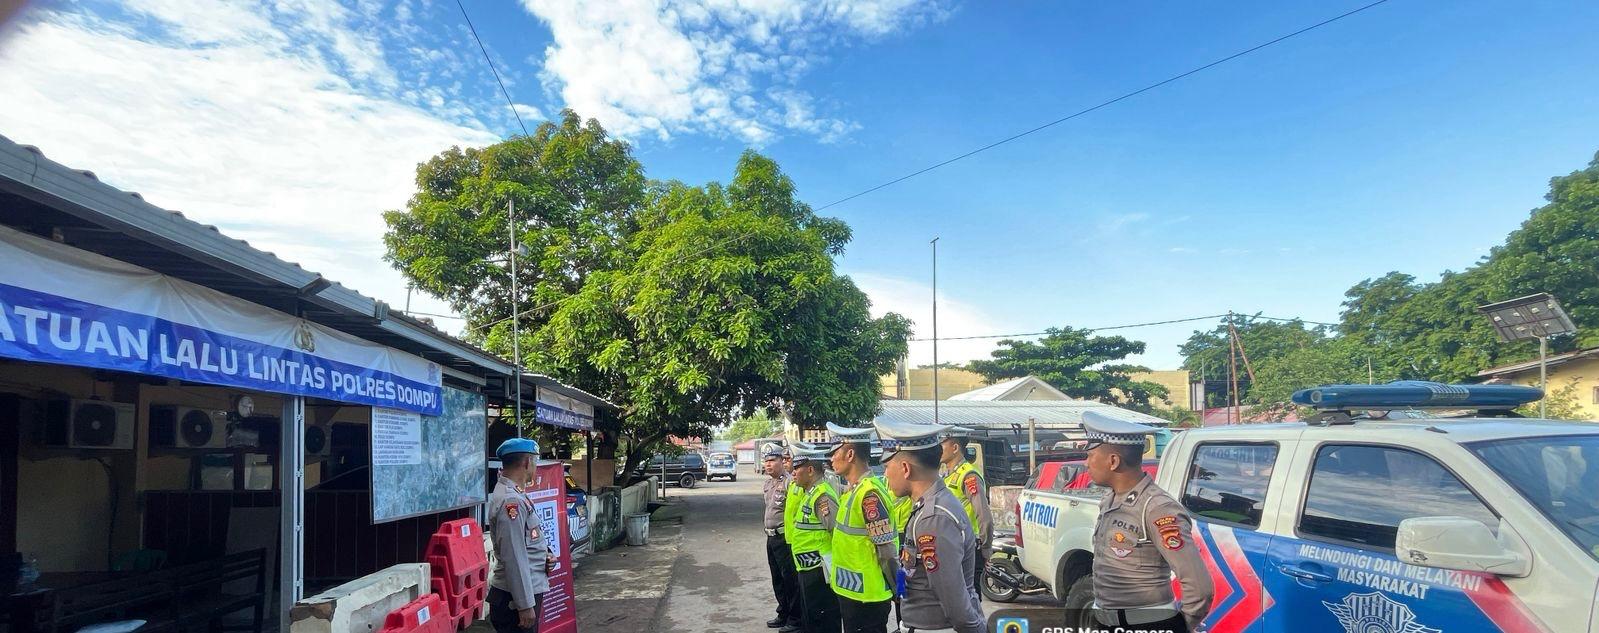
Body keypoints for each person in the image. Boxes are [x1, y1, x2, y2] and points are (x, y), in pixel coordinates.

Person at [1082, 411, 1214, 633]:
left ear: (1113, 461)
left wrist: (1179, 626)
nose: (1086, 463)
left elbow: (1200, 587)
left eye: (1090, 455)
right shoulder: (1110, 500)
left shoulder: (1157, 508)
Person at [877, 421, 984, 633]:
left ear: (905, 469)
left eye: (887, 467)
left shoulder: (934, 518)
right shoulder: (925, 506)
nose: (886, 475)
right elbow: (910, 568)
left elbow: (954, 599)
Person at [825, 423, 899, 633]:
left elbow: (887, 551)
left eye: (834, 453)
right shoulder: (852, 491)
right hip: (851, 591)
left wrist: (898, 589)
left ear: (850, 454)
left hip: (868, 597)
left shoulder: (869, 495)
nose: (831, 459)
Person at [487, 438, 554, 633]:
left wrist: (546, 555)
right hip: (515, 601)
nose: (536, 467)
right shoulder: (511, 501)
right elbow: (513, 555)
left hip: (519, 594)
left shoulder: (515, 494)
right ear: (527, 462)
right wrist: (524, 605)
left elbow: (525, 542)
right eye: (535, 461)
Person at [789, 443, 842, 633]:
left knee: (822, 621)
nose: (793, 472)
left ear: (810, 470)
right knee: (811, 620)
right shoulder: (809, 493)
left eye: (797, 468)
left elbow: (835, 532)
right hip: (808, 568)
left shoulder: (822, 496)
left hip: (820, 571)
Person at [937, 427, 990, 598]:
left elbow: (984, 515)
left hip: (968, 546)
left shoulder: (968, 475)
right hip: (952, 545)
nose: (939, 449)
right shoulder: (947, 475)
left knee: (970, 597)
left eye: (942, 445)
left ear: (955, 448)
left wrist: (986, 548)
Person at [763, 445, 803, 632]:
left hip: (784, 537)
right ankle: (783, 613)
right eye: (766, 461)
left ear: (782, 462)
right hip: (771, 537)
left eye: (772, 460)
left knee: (790, 580)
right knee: (777, 579)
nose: (768, 465)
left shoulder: (790, 483)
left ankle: (795, 619)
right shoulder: (768, 484)